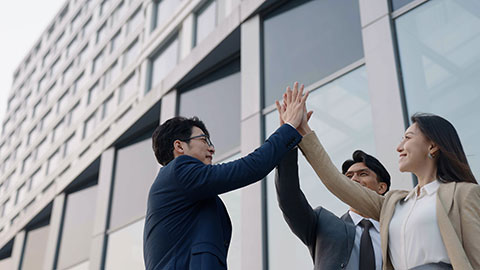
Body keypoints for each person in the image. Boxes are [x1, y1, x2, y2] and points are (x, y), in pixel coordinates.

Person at [278, 83, 480, 270]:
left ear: (433, 145)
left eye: (408, 138)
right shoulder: (393, 205)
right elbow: (335, 180)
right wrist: (301, 130)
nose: (399, 147)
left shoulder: (464, 194)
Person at [143, 86, 308, 270]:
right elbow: (250, 167)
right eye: (204, 140)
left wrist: (288, 141)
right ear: (180, 147)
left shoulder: (187, 189)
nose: (212, 149)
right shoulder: (178, 172)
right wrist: (288, 128)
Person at [275, 148, 390, 270]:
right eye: (349, 176)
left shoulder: (397, 226)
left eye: (363, 174)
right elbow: (290, 200)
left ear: (381, 187)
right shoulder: (323, 225)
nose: (354, 179)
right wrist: (288, 143)